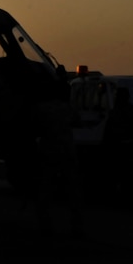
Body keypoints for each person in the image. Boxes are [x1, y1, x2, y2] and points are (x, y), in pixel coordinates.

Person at [31, 83, 84, 239]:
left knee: (45, 191)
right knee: (73, 191)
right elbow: (78, 122)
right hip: (67, 152)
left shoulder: (41, 108)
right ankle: (77, 227)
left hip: (49, 152)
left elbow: (34, 128)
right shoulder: (67, 108)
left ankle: (45, 227)